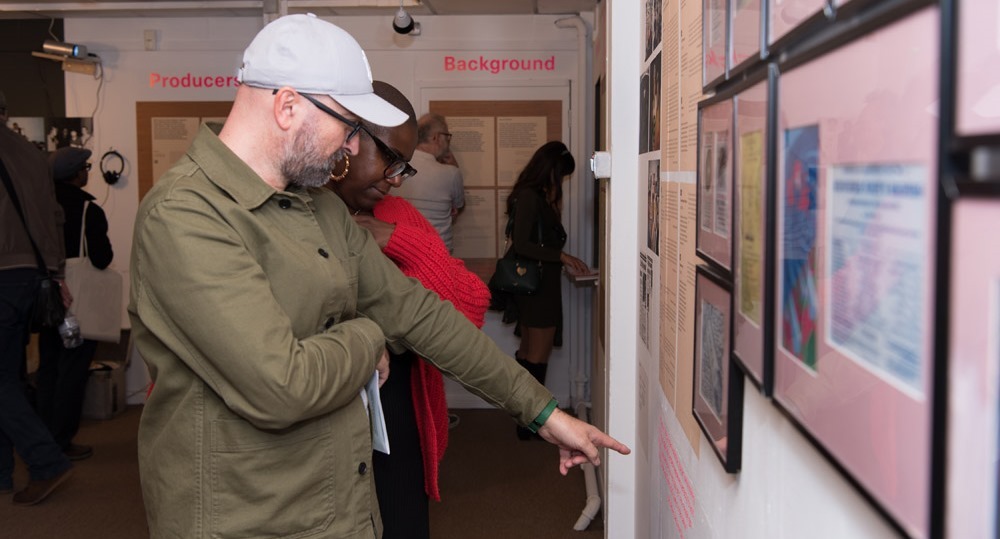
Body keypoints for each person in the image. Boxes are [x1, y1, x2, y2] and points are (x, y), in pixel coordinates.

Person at [128, 14, 629, 539]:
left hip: (341, 504)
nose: (349, 147)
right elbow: (282, 385)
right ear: (288, 106)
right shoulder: (185, 215)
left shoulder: (317, 208)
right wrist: (368, 339)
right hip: (250, 518)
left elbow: (417, 314)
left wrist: (543, 412)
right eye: (346, 125)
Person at [327, 81, 490, 538]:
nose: (396, 178)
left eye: (404, 166)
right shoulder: (296, 217)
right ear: (346, 139)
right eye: (389, 160)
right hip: (320, 417)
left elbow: (471, 308)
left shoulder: (398, 216)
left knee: (402, 524)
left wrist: (401, 243)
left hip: (395, 410)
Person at [0, 91, 74, 505]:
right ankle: (2, 475)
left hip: (2, 272)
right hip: (31, 277)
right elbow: (53, 217)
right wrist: (56, 271)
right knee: (6, 379)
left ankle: (47, 462)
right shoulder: (30, 153)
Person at [500, 141, 591, 439]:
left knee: (530, 355)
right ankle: (530, 425)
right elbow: (523, 244)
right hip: (536, 290)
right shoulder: (529, 197)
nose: (561, 182)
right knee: (535, 357)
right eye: (561, 175)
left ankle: (525, 420)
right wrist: (561, 257)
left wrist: (560, 260)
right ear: (550, 170)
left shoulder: (536, 196)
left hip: (540, 286)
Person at [36, 147, 114, 462]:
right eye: (86, 167)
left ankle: (42, 436)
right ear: (77, 173)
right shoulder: (88, 211)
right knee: (72, 371)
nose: (88, 172)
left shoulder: (39, 206)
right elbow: (101, 257)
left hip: (44, 297)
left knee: (48, 368)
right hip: (78, 302)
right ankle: (62, 440)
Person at [392, 113, 465, 252]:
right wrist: (455, 168)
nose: (448, 143)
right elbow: (459, 206)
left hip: (402, 250)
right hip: (439, 253)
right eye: (447, 137)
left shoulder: (396, 167)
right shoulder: (451, 173)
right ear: (436, 137)